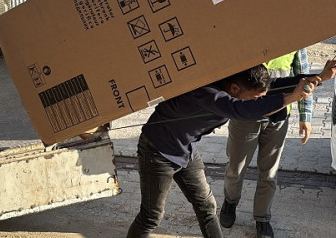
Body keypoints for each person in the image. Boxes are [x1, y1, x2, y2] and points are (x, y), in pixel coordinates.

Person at [126, 65, 321, 238]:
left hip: (186, 149)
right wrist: (291, 98)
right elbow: (241, 110)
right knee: (151, 216)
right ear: (235, 89)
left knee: (207, 206)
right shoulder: (207, 91)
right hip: (158, 151)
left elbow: (273, 85)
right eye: (253, 99)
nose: (256, 102)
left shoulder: (234, 80)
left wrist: (320, 76)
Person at [219, 53, 336, 238]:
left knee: (269, 173)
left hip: (277, 119)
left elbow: (302, 78)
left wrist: (305, 116)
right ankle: (230, 202)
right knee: (235, 169)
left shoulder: (293, 40)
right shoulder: (247, 35)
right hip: (245, 117)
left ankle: (262, 218)